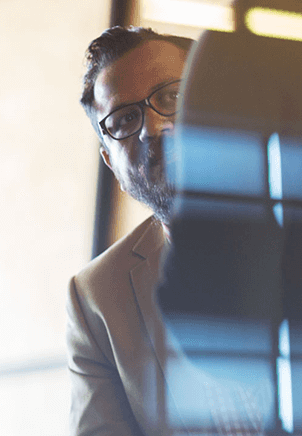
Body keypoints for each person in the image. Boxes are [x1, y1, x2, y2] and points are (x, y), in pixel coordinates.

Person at [66, 26, 194, 435]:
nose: (153, 128)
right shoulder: (97, 297)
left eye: (171, 97)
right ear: (110, 162)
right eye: (124, 119)